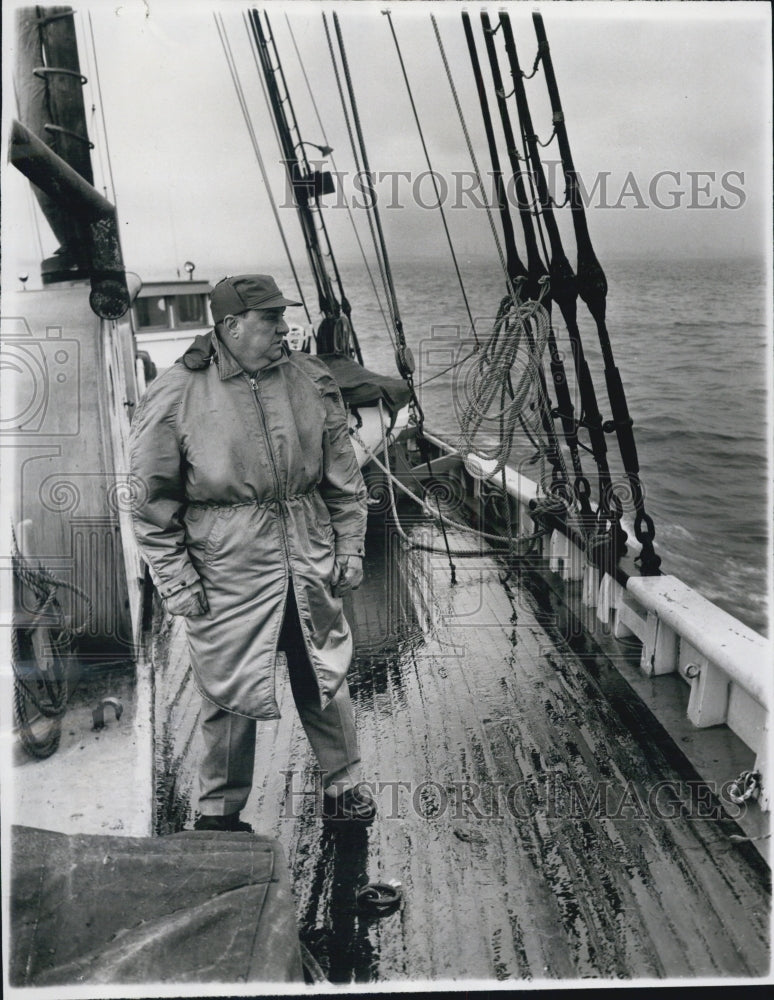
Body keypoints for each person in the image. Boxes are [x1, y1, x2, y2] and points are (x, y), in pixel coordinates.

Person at [129, 273, 375, 831]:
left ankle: (345, 784)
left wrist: (351, 547)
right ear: (231, 326)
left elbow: (342, 476)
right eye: (270, 320)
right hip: (228, 569)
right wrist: (177, 580)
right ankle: (219, 811)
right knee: (227, 690)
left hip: (309, 555)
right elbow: (149, 500)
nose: (283, 328)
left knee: (324, 673)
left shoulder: (310, 379)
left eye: (283, 317)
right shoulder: (174, 394)